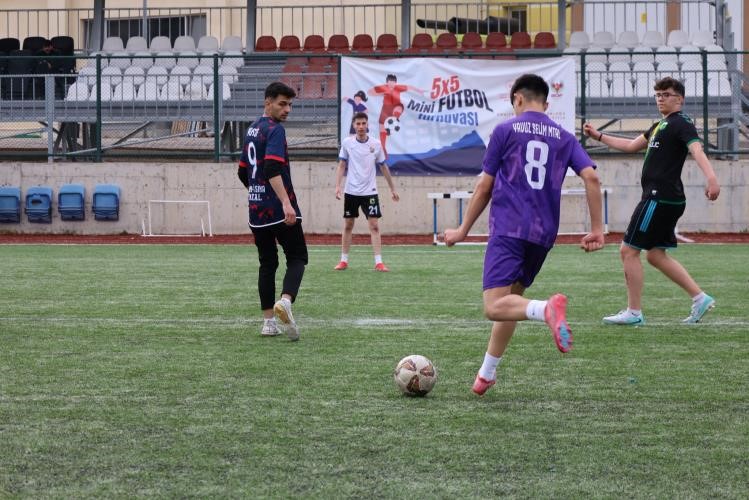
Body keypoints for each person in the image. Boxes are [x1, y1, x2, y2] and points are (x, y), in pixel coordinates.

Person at [444, 74, 604, 396]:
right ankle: (486, 374)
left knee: (494, 306)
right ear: (546, 102)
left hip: (509, 228)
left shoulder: (505, 131)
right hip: (543, 235)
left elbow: (484, 186)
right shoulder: (564, 136)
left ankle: (546, 309)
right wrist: (598, 229)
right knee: (512, 302)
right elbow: (591, 178)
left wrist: (462, 230)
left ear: (517, 98)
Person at [583, 76, 720, 325]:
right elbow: (630, 145)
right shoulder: (660, 125)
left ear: (680, 99)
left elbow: (696, 150)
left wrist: (712, 178)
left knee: (628, 250)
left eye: (666, 95)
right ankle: (700, 298)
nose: (660, 99)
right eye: (658, 95)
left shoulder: (681, 123)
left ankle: (634, 313)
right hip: (666, 199)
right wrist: (599, 135)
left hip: (658, 198)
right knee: (655, 255)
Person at [237, 81, 308, 341]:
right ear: (268, 102)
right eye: (282, 104)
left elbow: (242, 171)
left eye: (290, 105)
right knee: (298, 257)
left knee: (267, 263)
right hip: (279, 208)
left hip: (256, 211)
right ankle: (286, 301)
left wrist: (257, 192)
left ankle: (268, 323)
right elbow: (272, 168)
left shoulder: (252, 129)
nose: (287, 109)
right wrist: (285, 203)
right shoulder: (275, 130)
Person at [334, 112, 400, 272]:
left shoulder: (375, 144)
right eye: (358, 124)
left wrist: (392, 188)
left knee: (374, 225)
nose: (361, 126)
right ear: (354, 125)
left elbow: (383, 166)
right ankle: (343, 261)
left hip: (370, 192)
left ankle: (379, 262)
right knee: (348, 225)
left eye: (363, 123)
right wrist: (337, 186)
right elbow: (342, 165)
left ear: (367, 125)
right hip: (351, 191)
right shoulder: (347, 143)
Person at [368, 74, 425, 157]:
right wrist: (381, 93)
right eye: (390, 81)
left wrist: (419, 91)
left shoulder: (398, 87)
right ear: (387, 82)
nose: (391, 83)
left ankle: (393, 123)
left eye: (393, 82)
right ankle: (383, 148)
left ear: (395, 82)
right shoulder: (383, 87)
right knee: (381, 127)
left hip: (396, 105)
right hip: (386, 108)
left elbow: (409, 87)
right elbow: (370, 92)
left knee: (398, 108)